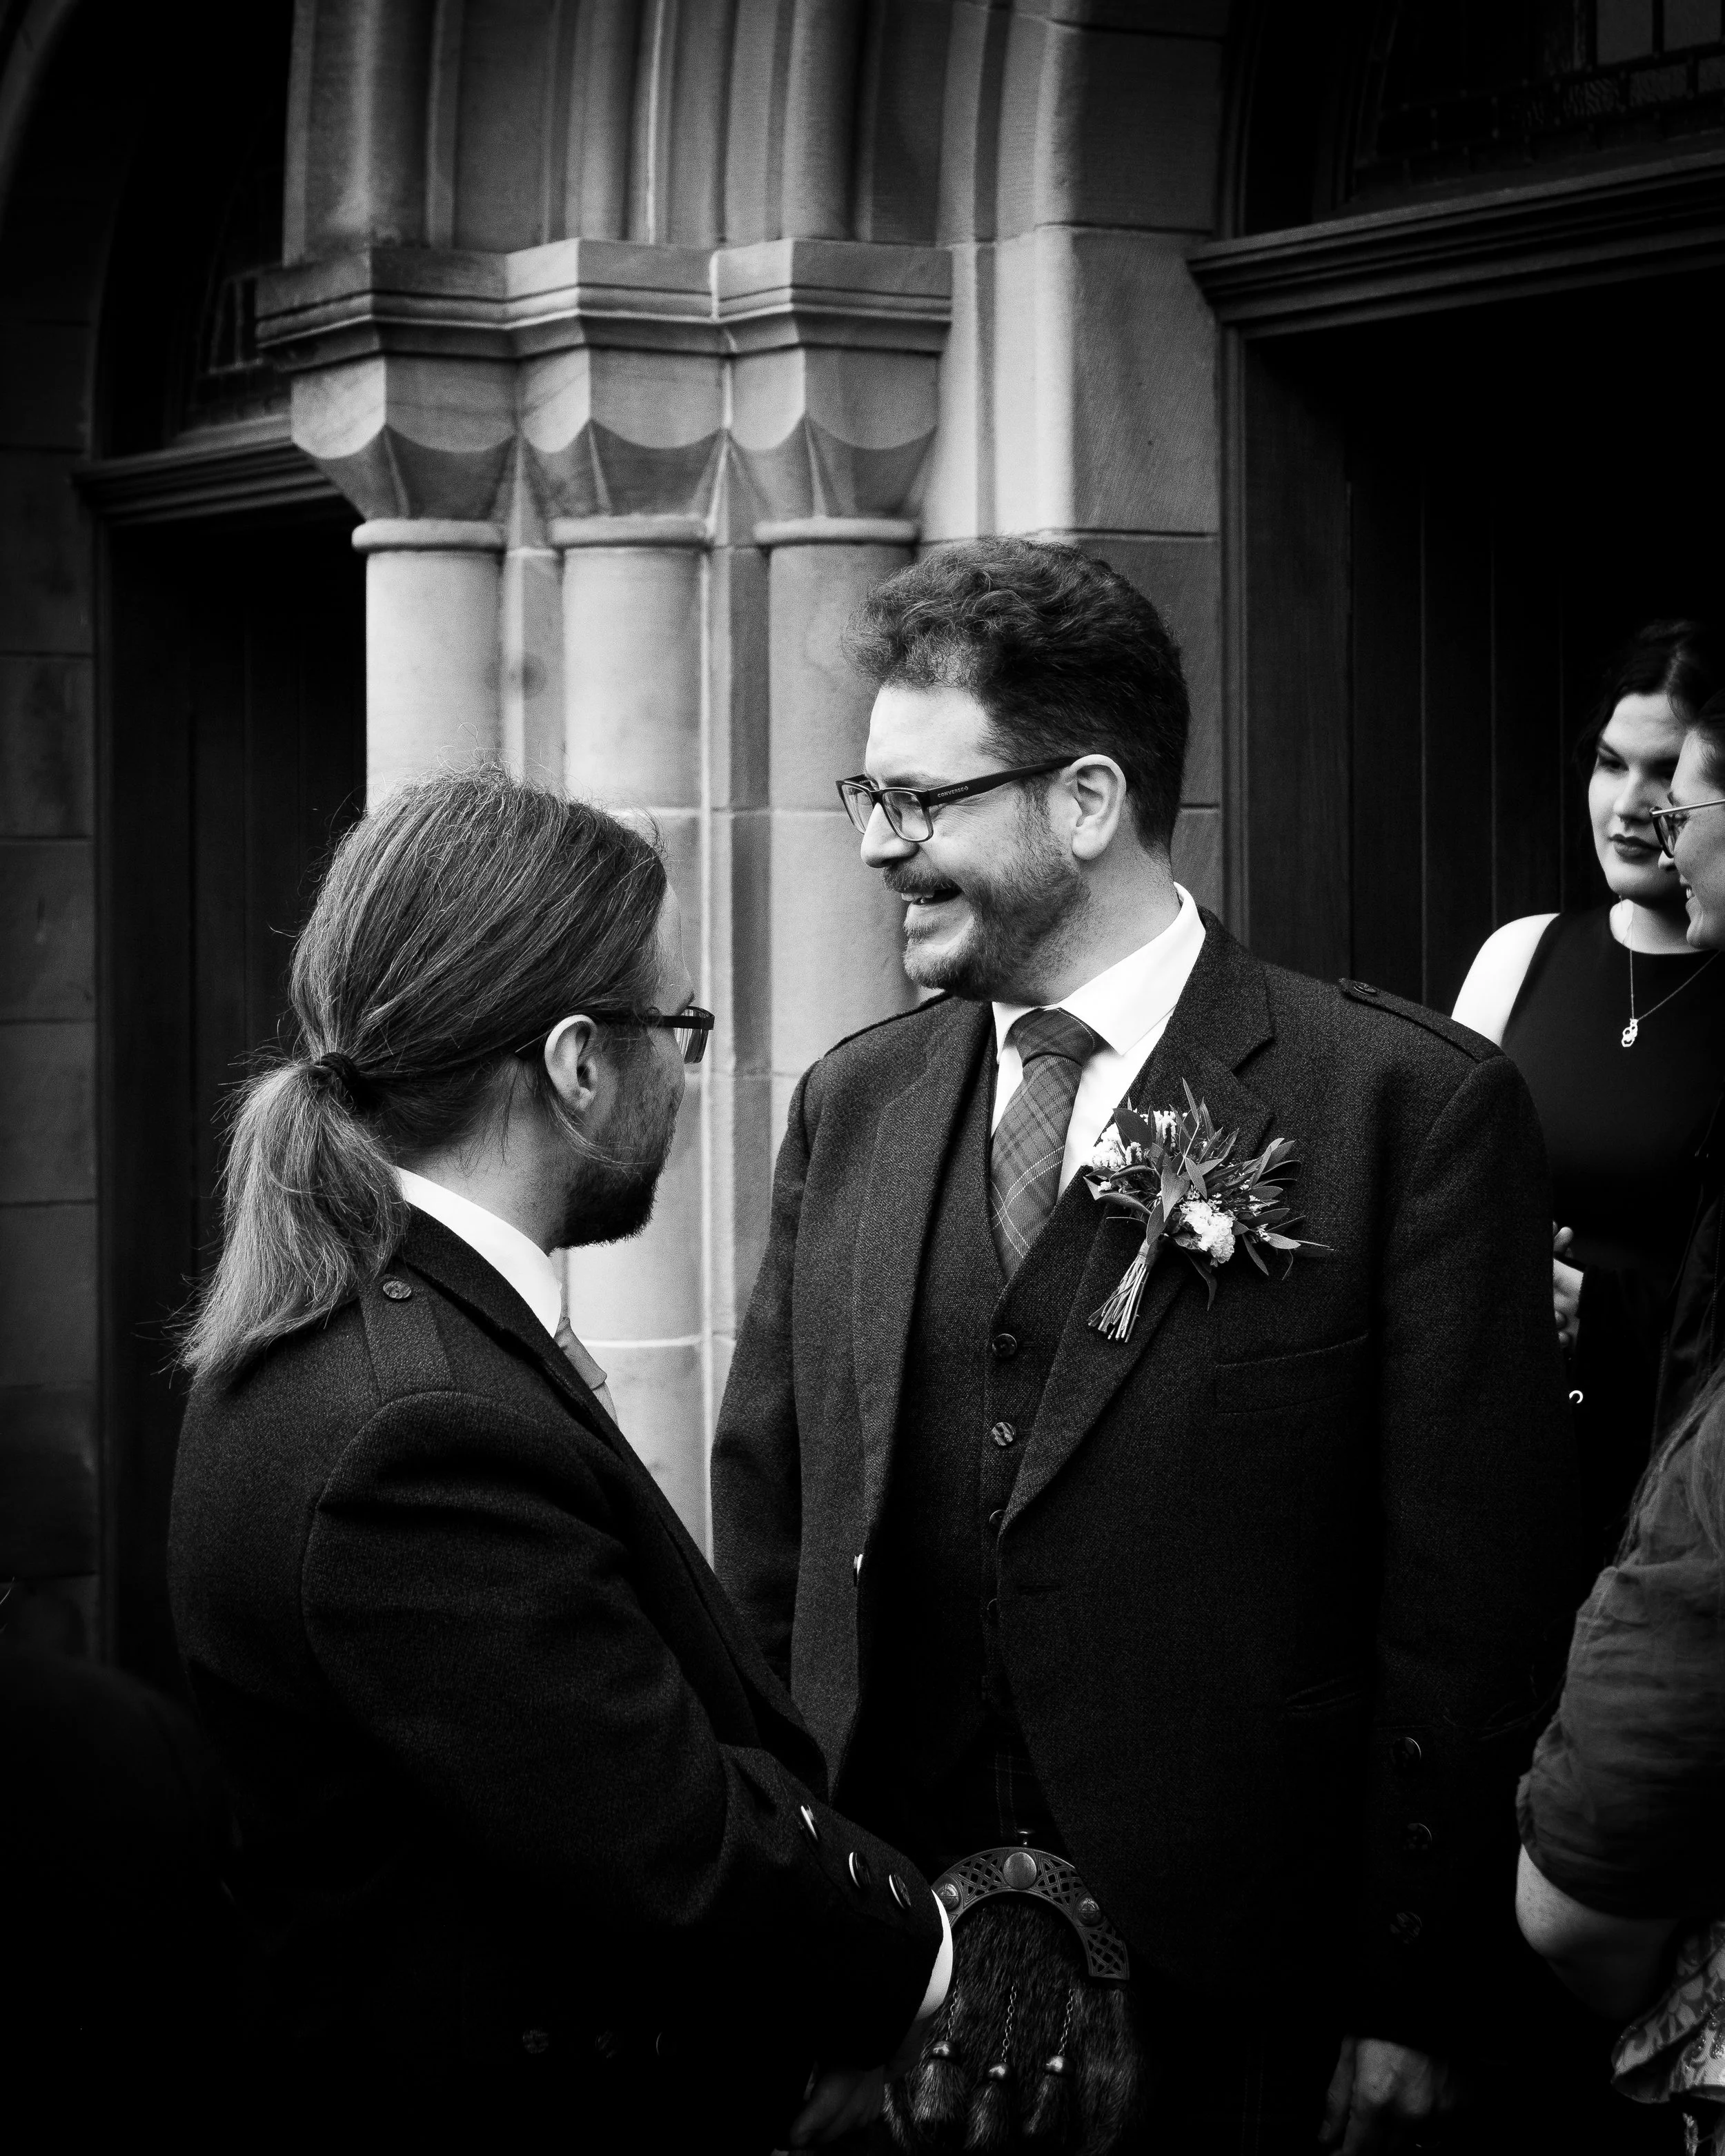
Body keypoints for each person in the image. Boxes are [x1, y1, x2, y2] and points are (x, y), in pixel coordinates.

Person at [711, 537, 1580, 2150]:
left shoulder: (1400, 1107)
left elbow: (1469, 1609)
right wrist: (809, 1929)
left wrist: (1411, 1988)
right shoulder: (855, 1103)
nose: (879, 849)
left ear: (1086, 798)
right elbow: (771, 1541)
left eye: (922, 802)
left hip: (1248, 2009)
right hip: (903, 1983)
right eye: (869, 798)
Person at [167, 768, 950, 2148]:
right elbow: (663, 1832)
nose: (684, 1073)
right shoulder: (413, 1427)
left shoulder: (358, 1328)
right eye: (680, 1030)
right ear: (580, 1062)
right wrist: (930, 1959)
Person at [1453, 622, 1725, 1556]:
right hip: (1510, 1454)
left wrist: (1595, 1306)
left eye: (1665, 776)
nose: (1629, 805)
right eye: (1610, 764)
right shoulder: (1521, 955)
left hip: (1673, 1484)